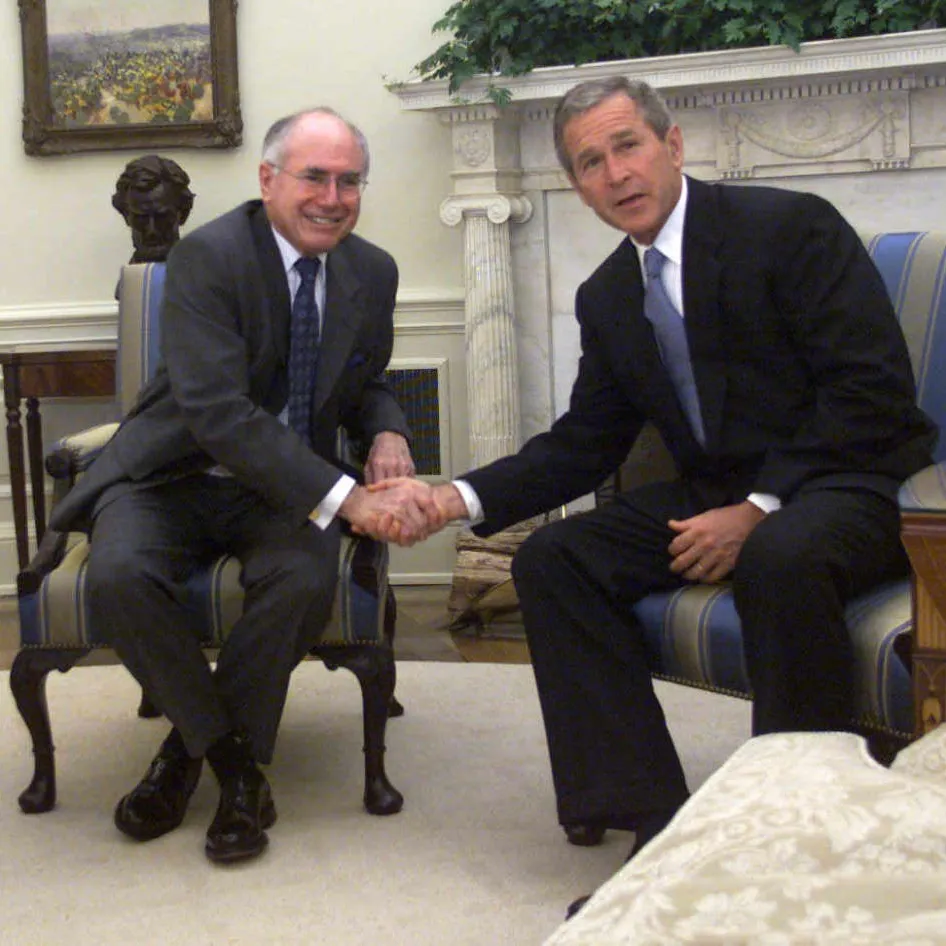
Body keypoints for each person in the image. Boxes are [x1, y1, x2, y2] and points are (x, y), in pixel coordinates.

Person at [371, 77, 938, 906]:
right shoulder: (607, 295)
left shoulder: (790, 228)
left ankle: (793, 823)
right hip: (718, 489)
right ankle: (652, 820)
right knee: (558, 559)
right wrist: (454, 497)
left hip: (851, 477)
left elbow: (870, 393)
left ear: (672, 146)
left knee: (779, 554)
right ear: (577, 185)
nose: (615, 175)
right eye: (590, 163)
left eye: (627, 146)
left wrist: (756, 509)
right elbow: (584, 444)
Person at [50, 107, 437, 864]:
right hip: (172, 473)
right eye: (314, 177)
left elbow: (363, 384)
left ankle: (182, 754)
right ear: (269, 180)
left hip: (281, 492)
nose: (333, 197)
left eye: (349, 180)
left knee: (300, 580)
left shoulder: (373, 270)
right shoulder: (209, 256)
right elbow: (218, 413)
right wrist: (348, 497)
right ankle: (232, 766)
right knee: (119, 576)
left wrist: (389, 430)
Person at [112, 154, 196, 264]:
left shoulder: (205, 276)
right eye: (142, 218)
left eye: (162, 218)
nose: (152, 231)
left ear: (183, 214)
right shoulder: (127, 280)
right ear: (126, 215)